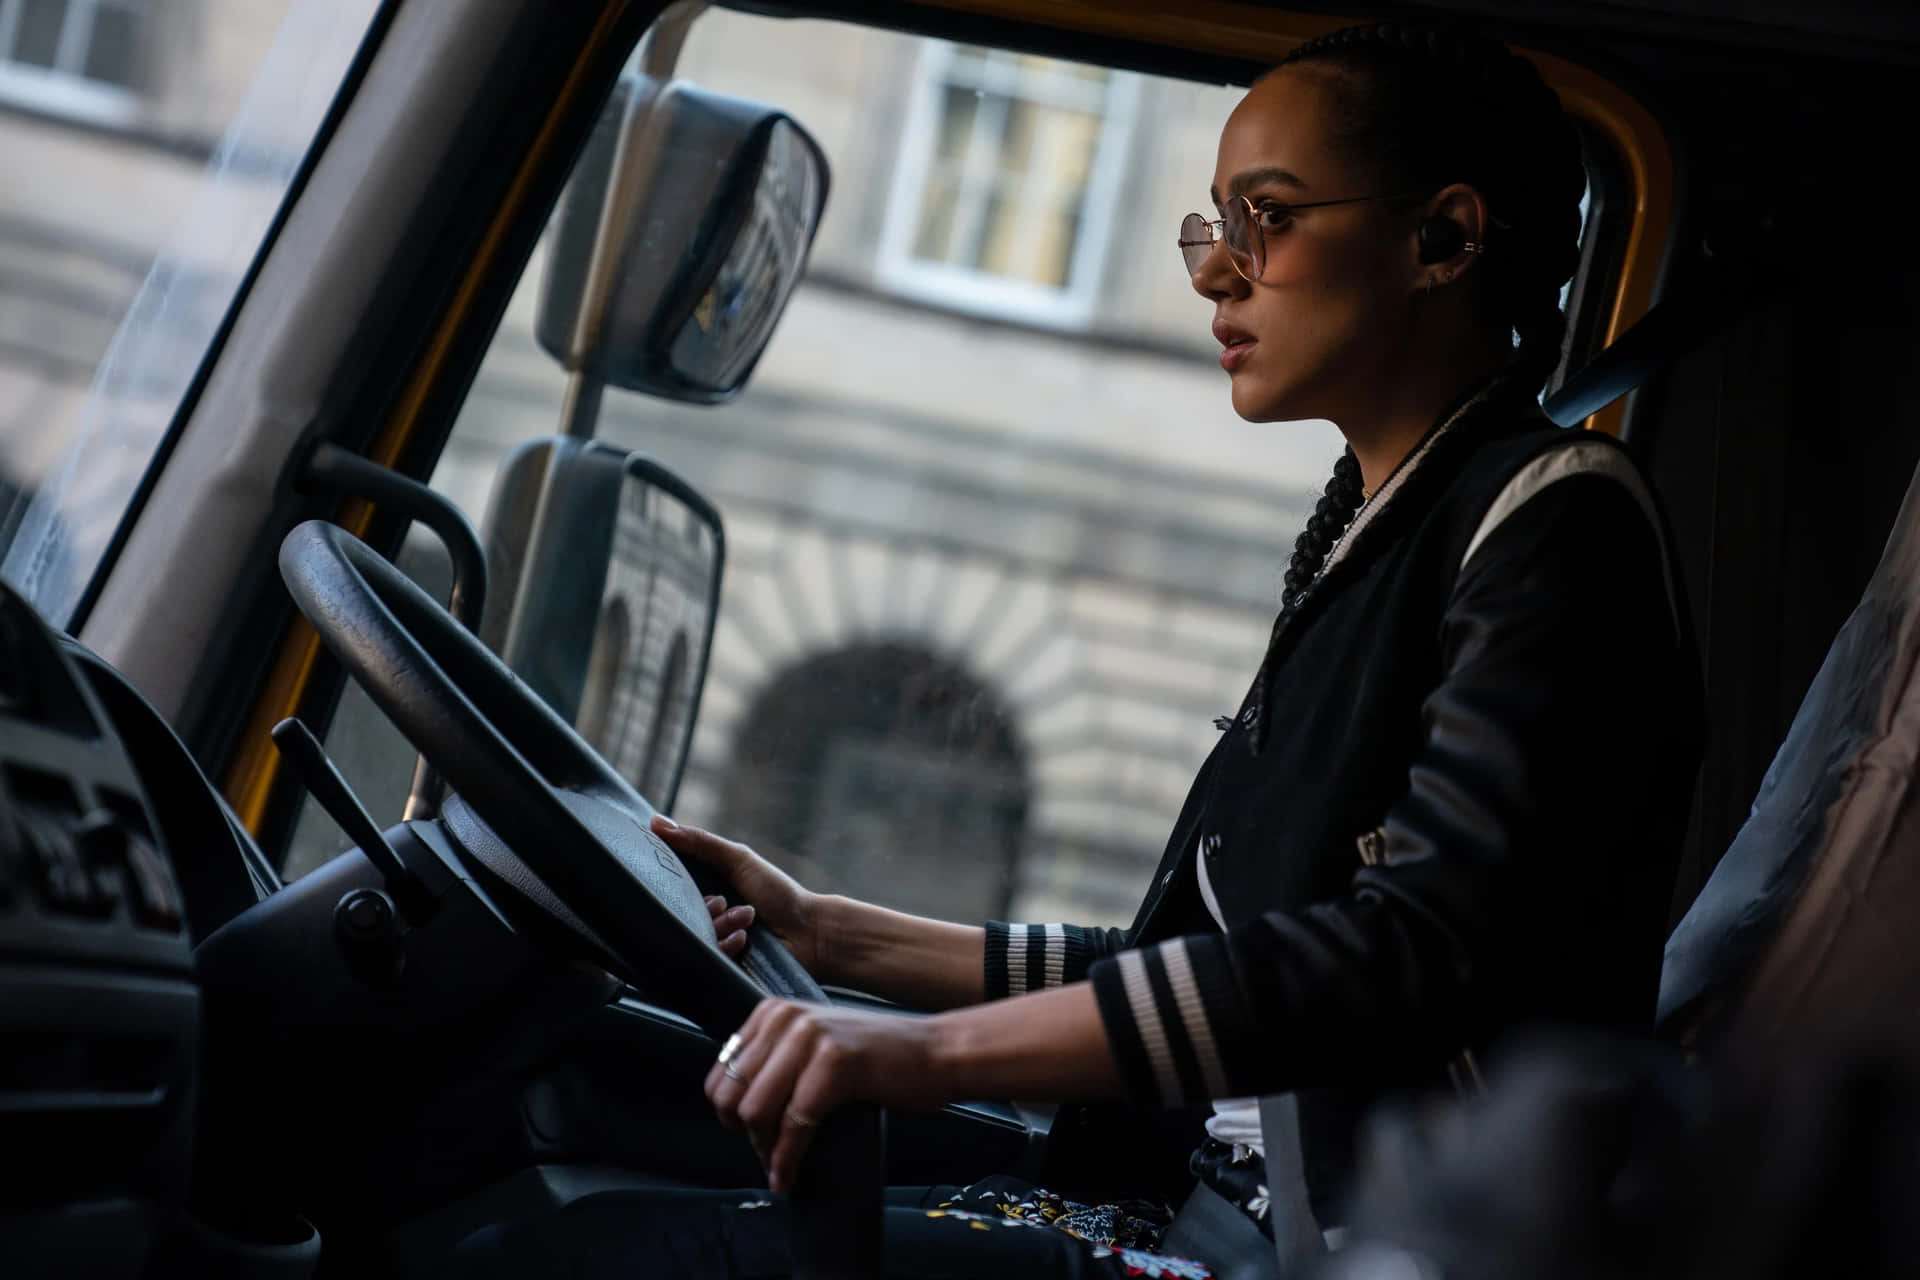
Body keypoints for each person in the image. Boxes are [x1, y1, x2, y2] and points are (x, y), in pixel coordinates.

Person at [458, 20, 1703, 1278]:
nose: (1215, 275)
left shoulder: (1555, 524)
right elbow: (1207, 956)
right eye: (1212, 225)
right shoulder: (1376, 527)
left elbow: (1405, 957)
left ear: (1443, 238)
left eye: (1263, 219)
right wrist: (829, 934)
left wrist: (920, 1052)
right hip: (1195, 1203)